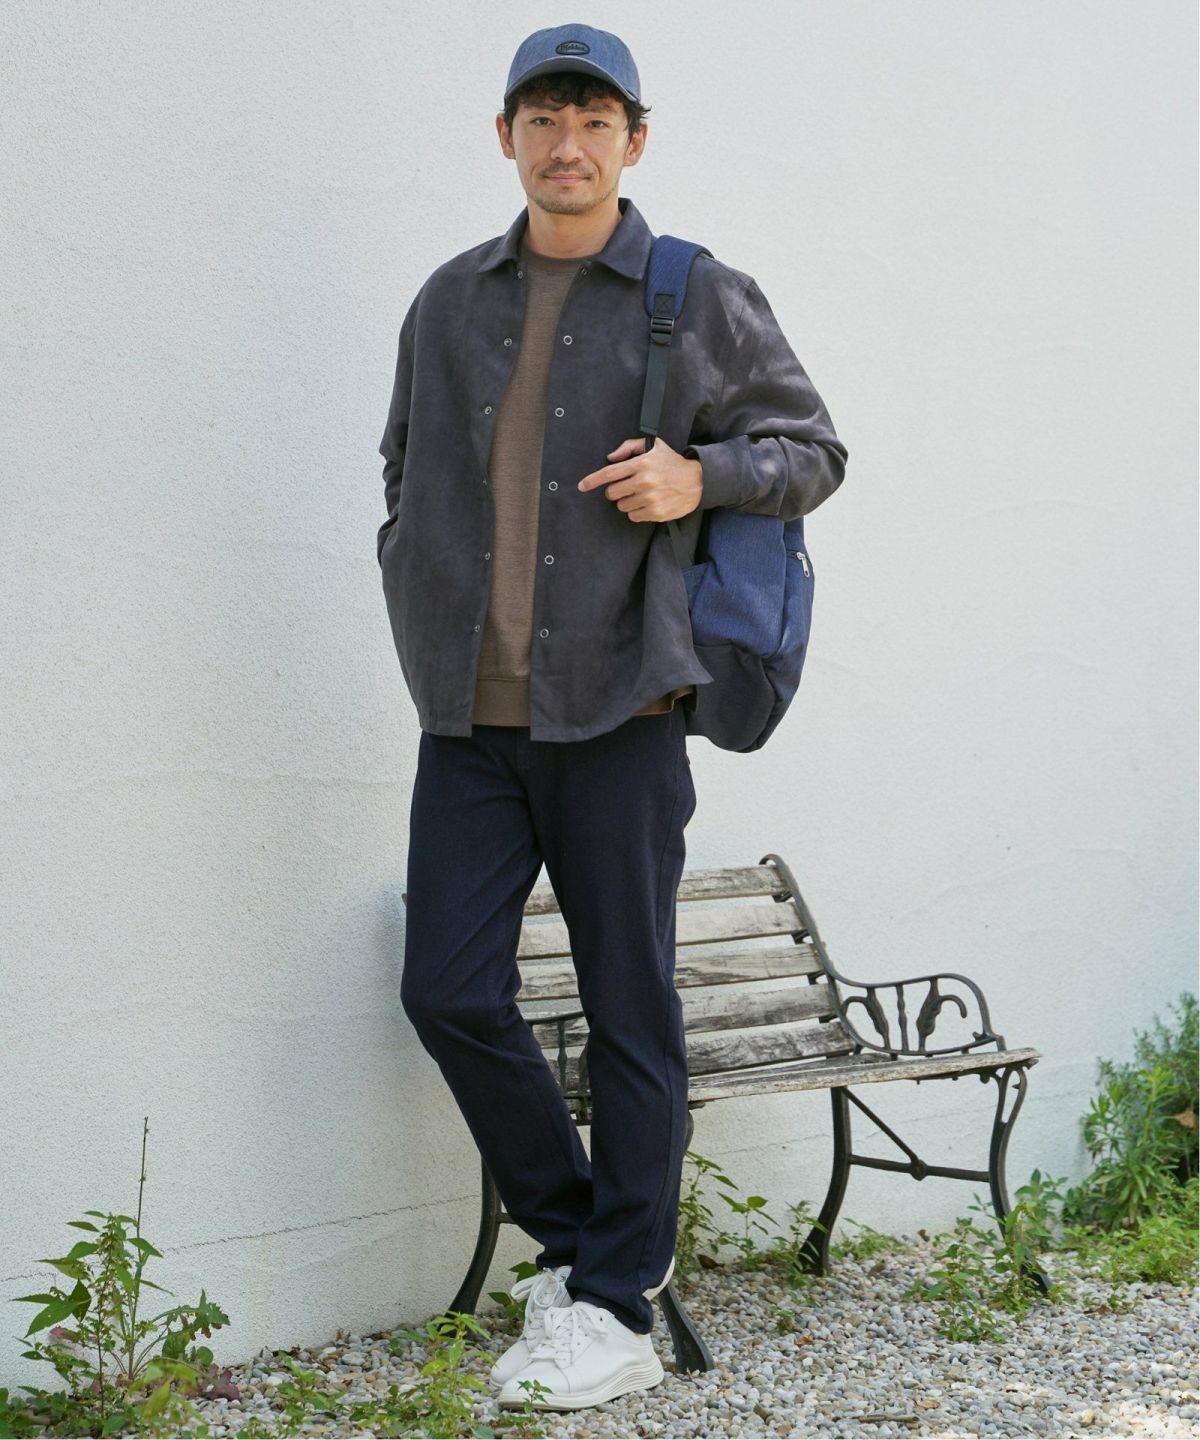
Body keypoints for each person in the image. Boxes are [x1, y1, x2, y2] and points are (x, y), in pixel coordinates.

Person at [376, 21, 848, 1413]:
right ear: (506, 137)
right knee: (447, 988)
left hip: (622, 704)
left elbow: (814, 451)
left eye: (594, 120)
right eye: (543, 119)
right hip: (469, 716)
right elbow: (404, 468)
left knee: (630, 1002)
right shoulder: (447, 301)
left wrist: (702, 478)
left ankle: (611, 1305)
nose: (567, 144)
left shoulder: (697, 293)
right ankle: (594, 1246)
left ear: (634, 140)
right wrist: (413, 574)